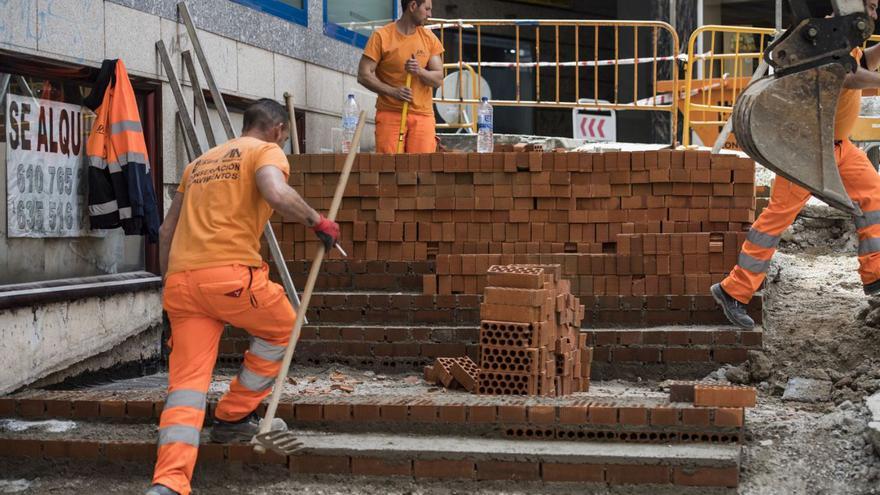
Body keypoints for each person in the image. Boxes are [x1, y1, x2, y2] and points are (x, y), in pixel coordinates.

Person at [145, 99, 340, 495]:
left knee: (186, 386)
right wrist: (318, 221)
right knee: (284, 326)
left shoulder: (198, 164)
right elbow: (275, 190)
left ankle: (168, 482)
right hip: (230, 276)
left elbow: (166, 232)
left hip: (182, 283)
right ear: (279, 130)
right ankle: (233, 417)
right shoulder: (264, 151)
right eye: (284, 137)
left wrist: (170, 291)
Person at [713, 0, 880, 328]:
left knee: (873, 199)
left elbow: (863, 64)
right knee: (777, 219)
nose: (874, 15)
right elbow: (849, 77)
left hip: (839, 148)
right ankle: (733, 290)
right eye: (872, 7)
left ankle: (875, 277)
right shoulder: (823, 44)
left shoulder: (842, 42)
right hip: (806, 149)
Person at [357, 0, 444, 153]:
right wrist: (394, 92)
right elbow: (363, 75)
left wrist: (419, 71)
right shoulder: (382, 36)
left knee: (422, 171)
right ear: (412, 6)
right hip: (390, 114)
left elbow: (438, 79)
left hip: (422, 116)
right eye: (427, 9)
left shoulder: (429, 39)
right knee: (389, 169)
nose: (430, 15)